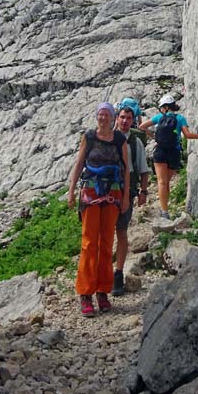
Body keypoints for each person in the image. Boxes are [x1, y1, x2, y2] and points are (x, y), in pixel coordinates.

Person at [68, 102, 130, 317]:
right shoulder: (89, 136)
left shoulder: (120, 140)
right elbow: (79, 163)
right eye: (100, 115)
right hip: (91, 192)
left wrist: (126, 196)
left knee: (106, 242)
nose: (103, 118)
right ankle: (86, 293)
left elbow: (125, 169)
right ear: (97, 117)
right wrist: (71, 191)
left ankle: (102, 291)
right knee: (88, 242)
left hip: (113, 194)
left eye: (107, 115)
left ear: (112, 118)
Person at [139, 94, 198, 220]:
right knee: (167, 182)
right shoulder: (180, 118)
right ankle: (166, 208)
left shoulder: (159, 117)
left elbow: (141, 127)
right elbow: (187, 135)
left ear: (164, 107)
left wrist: (153, 136)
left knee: (161, 182)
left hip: (160, 151)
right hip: (174, 153)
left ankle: (164, 211)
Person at [112, 99, 150, 296]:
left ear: (133, 121)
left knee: (122, 231)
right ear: (116, 118)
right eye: (122, 117)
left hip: (126, 192)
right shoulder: (107, 138)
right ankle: (105, 274)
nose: (125, 121)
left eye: (128, 118)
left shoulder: (135, 143)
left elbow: (144, 170)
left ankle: (118, 273)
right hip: (107, 192)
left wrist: (143, 192)